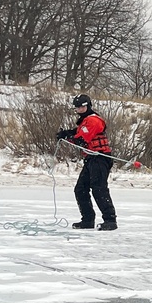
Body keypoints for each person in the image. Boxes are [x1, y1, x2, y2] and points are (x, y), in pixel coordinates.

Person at [56, 93, 118, 231]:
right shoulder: (84, 122)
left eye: (81, 107)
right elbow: (77, 133)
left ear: (87, 106)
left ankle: (110, 220)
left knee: (99, 188)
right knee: (80, 189)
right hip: (91, 158)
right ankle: (88, 220)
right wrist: (66, 133)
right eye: (76, 107)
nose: (78, 109)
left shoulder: (93, 120)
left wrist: (69, 136)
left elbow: (82, 140)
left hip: (100, 158)